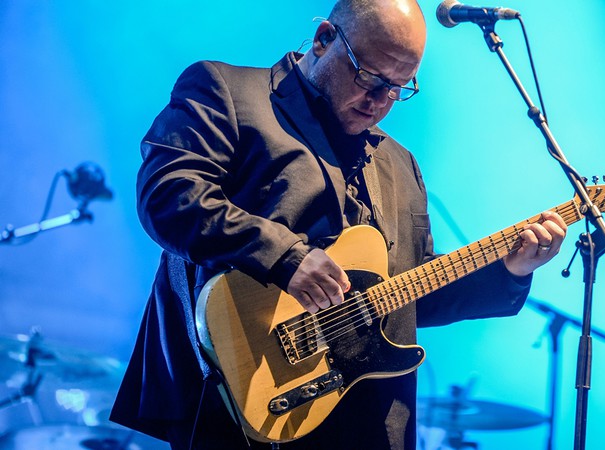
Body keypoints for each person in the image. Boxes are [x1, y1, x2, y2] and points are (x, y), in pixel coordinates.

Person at [110, 1, 567, 449]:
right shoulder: (228, 91)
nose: (380, 101)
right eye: (370, 78)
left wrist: (510, 270)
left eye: (399, 88)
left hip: (370, 418)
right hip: (240, 398)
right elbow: (169, 195)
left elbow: (407, 299)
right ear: (325, 38)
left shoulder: (401, 164)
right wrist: (286, 258)